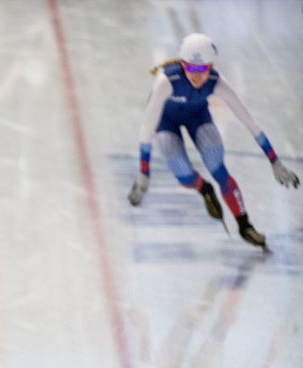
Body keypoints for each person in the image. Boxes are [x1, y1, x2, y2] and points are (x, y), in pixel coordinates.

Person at [128, 32, 299, 249]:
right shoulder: (166, 81)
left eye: (202, 69)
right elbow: (147, 126)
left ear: (211, 67)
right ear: (182, 64)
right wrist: (144, 173)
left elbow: (249, 122)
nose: (197, 75)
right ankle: (204, 188)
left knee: (215, 162)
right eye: (191, 68)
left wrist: (275, 161)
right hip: (165, 122)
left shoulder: (217, 83)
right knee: (180, 168)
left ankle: (245, 225)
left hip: (197, 118)